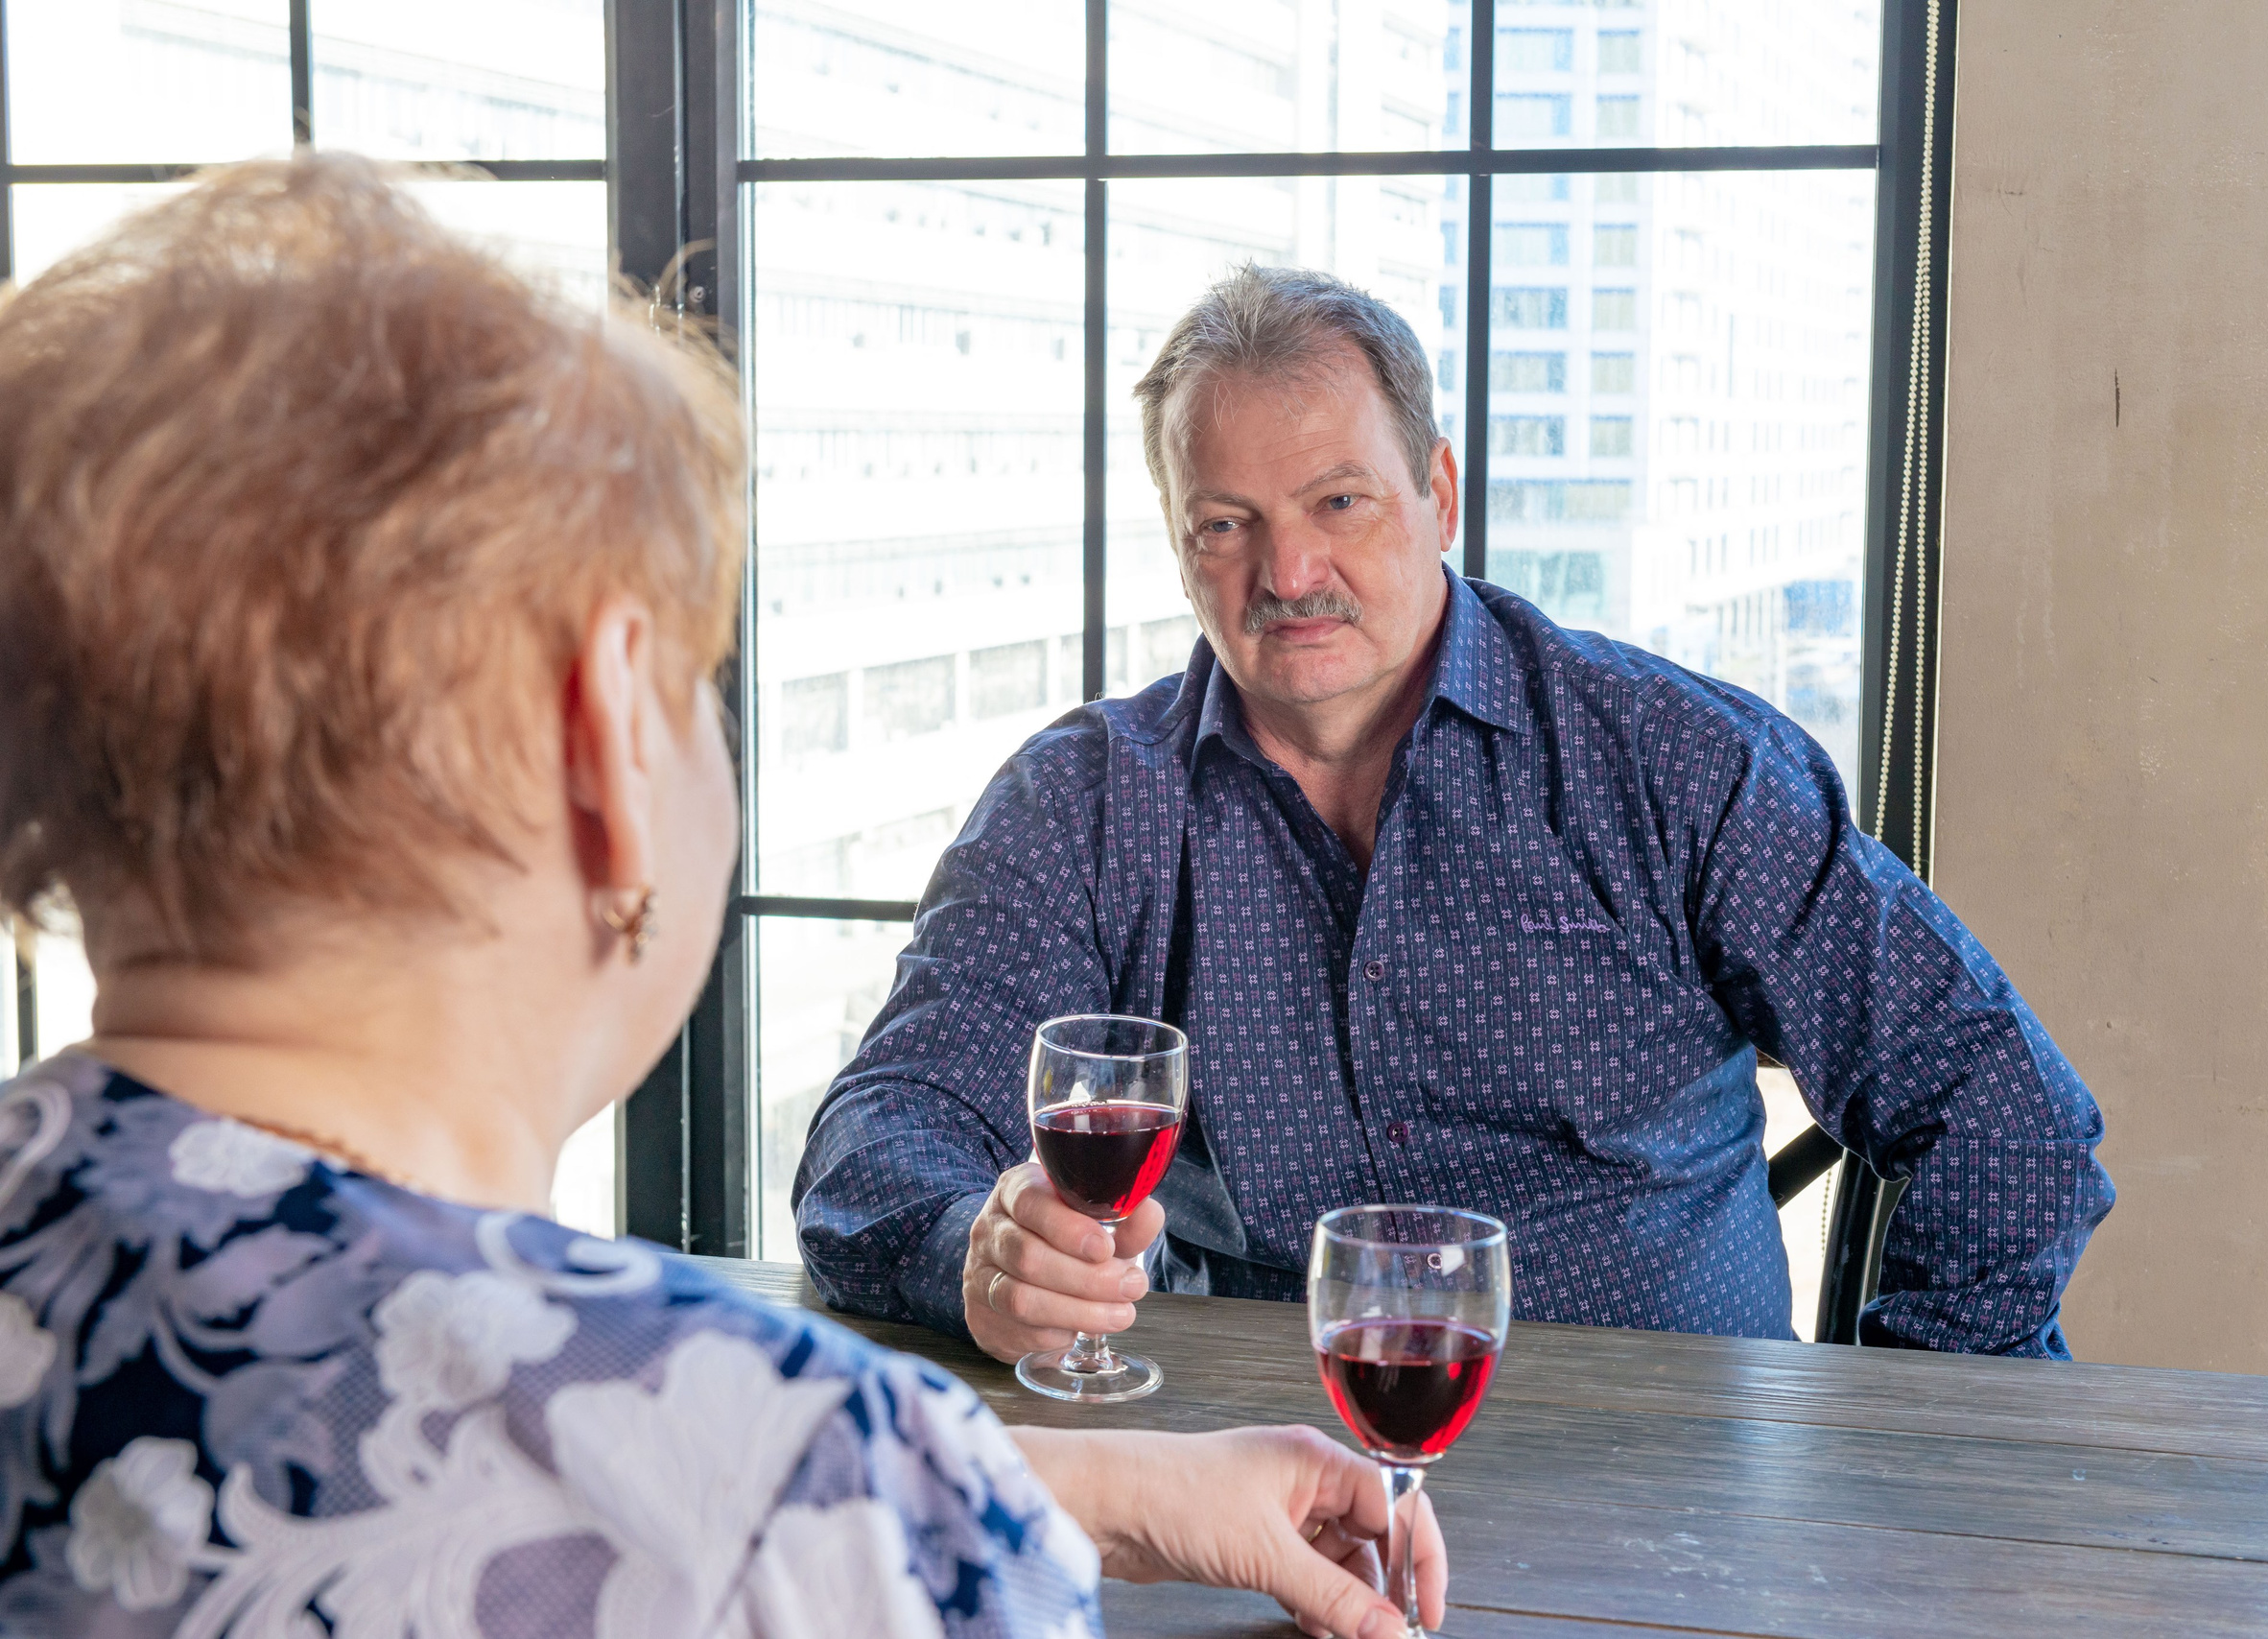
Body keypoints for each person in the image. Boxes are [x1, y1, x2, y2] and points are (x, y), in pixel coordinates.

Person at [0, 159, 1443, 1639]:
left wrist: (1033, 1482)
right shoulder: (805, 1502)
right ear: (610, 735)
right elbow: (705, 1498)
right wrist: (899, 1493)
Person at [798, 264, 2116, 1366]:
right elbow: (878, 1137)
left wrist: (1900, 1442)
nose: (1288, 572)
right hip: (1261, 1501)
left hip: (1673, 1513)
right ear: (1177, 539)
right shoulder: (1088, 800)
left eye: (1339, 502)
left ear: (1440, 490)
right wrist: (974, 1249)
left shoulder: (1668, 759)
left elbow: (2007, 1113)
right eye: (1225, 524)